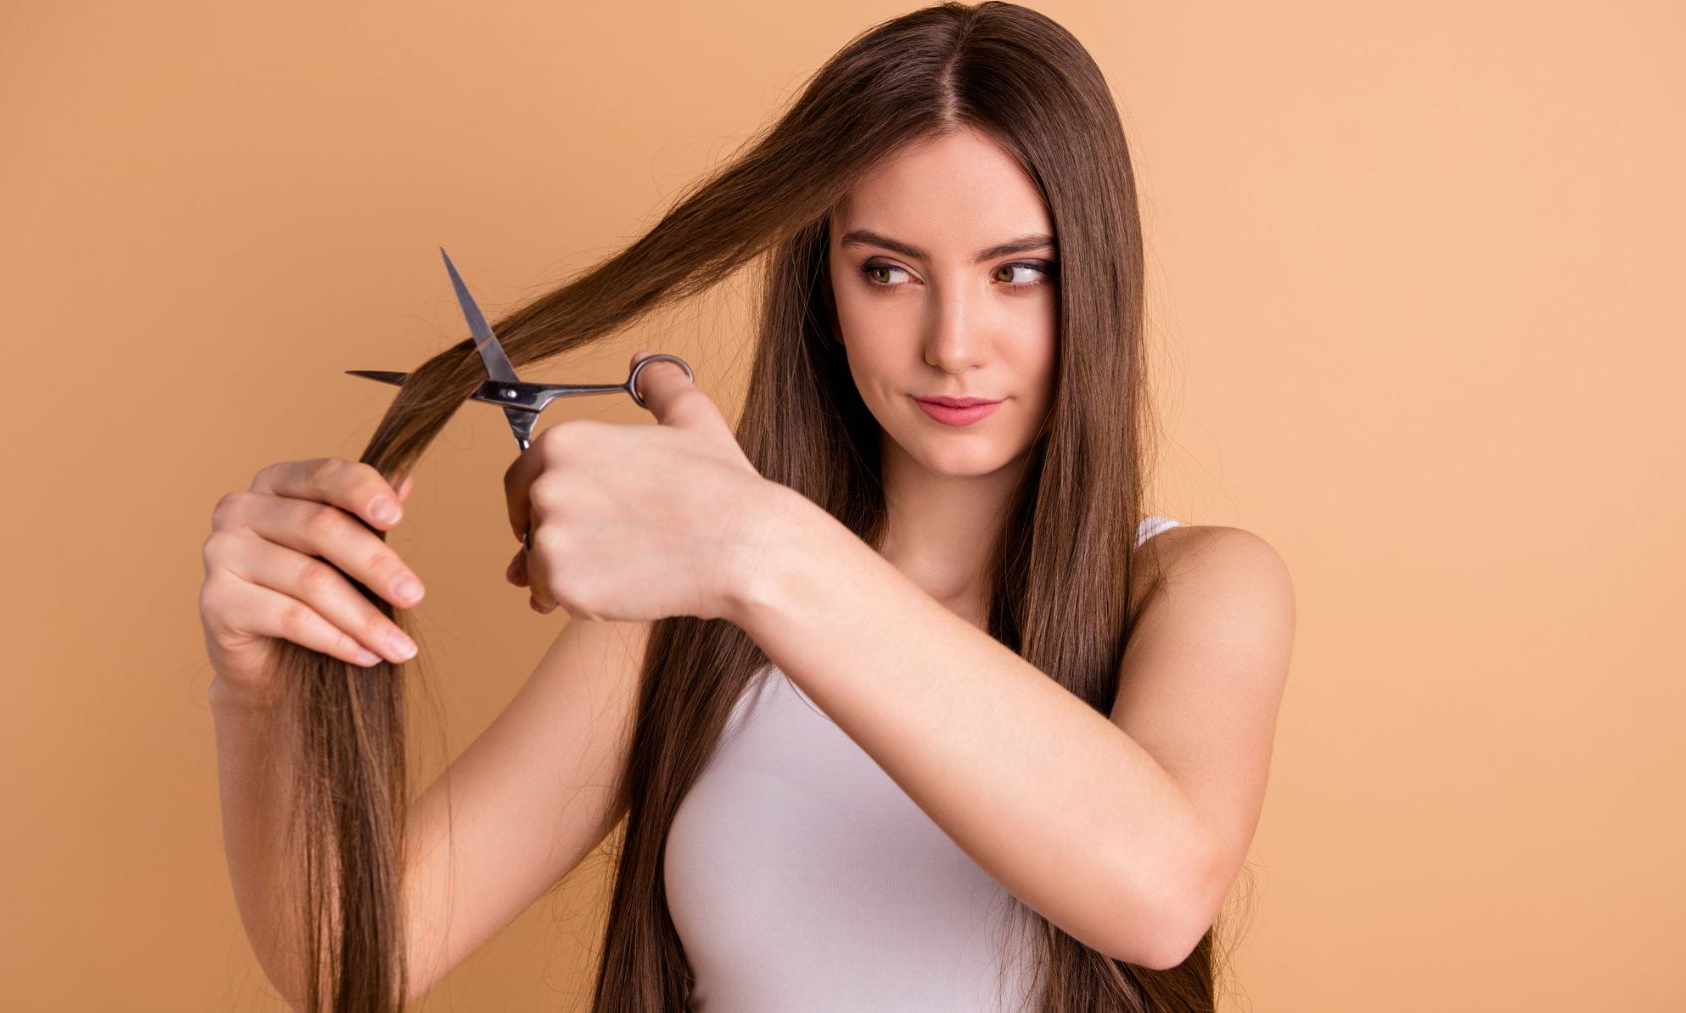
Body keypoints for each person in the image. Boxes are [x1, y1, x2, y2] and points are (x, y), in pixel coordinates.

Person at [199, 3, 1294, 1011]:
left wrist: (753, 544)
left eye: (1019, 272)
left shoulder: (1195, 587)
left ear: (1095, 277)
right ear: (822, 286)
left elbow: (1157, 892)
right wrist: (256, 695)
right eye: (888, 272)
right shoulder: (688, 610)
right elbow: (348, 955)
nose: (954, 342)